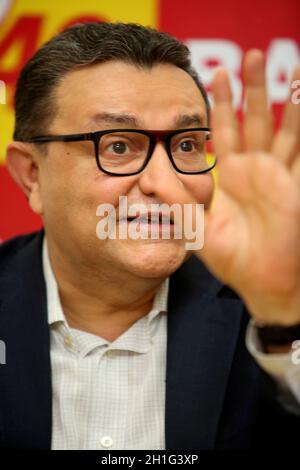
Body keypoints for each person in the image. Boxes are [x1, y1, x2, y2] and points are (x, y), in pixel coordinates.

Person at [0, 22, 299, 450]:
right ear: (32, 176)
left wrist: (283, 317)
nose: (166, 182)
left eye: (187, 145)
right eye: (118, 146)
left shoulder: (268, 306)